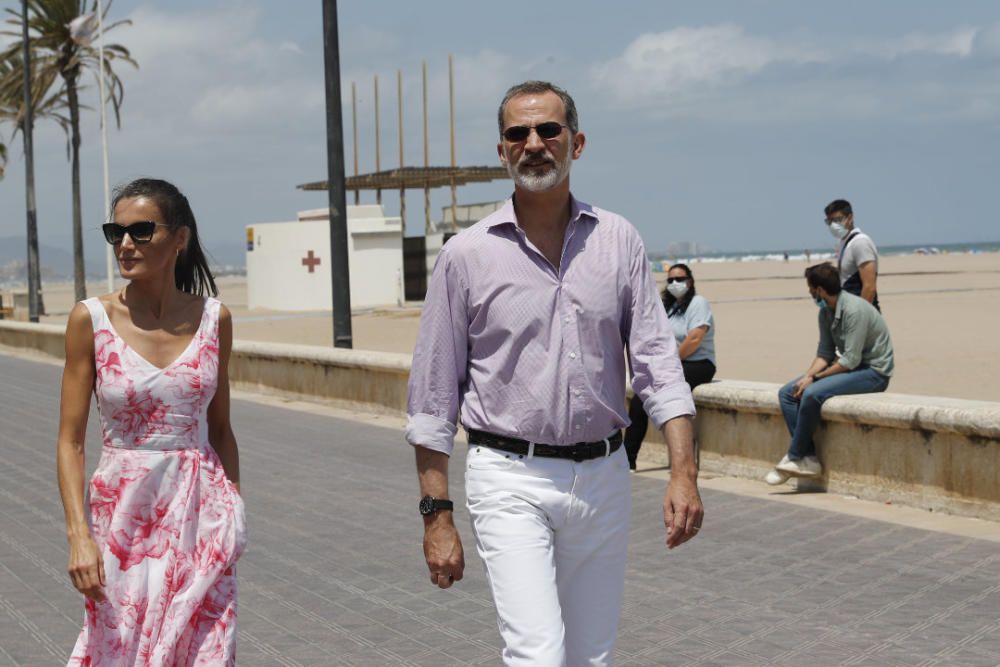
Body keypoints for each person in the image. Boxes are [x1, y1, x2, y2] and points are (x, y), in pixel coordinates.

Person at [406, 80, 703, 666]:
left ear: (577, 142)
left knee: (590, 656)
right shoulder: (466, 255)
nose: (534, 144)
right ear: (502, 150)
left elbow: (657, 365)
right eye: (518, 133)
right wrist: (435, 515)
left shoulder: (618, 240)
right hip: (508, 476)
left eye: (549, 130)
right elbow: (433, 396)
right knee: (538, 653)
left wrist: (684, 473)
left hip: (604, 477)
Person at [58, 178, 246, 665]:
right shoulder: (90, 320)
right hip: (122, 517)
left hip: (200, 513)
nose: (125, 244)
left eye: (141, 231)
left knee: (204, 651)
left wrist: (234, 513)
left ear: (179, 239)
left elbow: (221, 429)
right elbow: (70, 441)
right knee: (120, 650)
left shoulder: (214, 319)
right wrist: (80, 535)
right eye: (115, 232)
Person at [766, 263, 893, 485]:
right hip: (851, 367)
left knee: (813, 394)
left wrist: (815, 380)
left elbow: (850, 360)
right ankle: (808, 456)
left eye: (810, 289)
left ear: (820, 290)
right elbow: (824, 353)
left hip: (873, 371)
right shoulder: (825, 312)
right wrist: (807, 376)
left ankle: (794, 455)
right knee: (788, 393)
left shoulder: (854, 310)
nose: (810, 294)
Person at [624, 263, 716, 470]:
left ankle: (682, 462)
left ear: (690, 281)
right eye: (671, 280)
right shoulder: (669, 307)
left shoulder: (698, 303)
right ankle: (628, 459)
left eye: (680, 279)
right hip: (674, 363)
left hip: (698, 363)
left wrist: (669, 363)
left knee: (670, 395)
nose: (675, 283)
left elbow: (695, 338)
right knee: (640, 398)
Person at [825, 198, 880, 311]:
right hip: (849, 312)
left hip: (864, 315)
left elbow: (869, 287)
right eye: (829, 221)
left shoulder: (860, 242)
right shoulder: (843, 243)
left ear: (850, 218)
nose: (833, 225)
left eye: (837, 220)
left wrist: (860, 317)